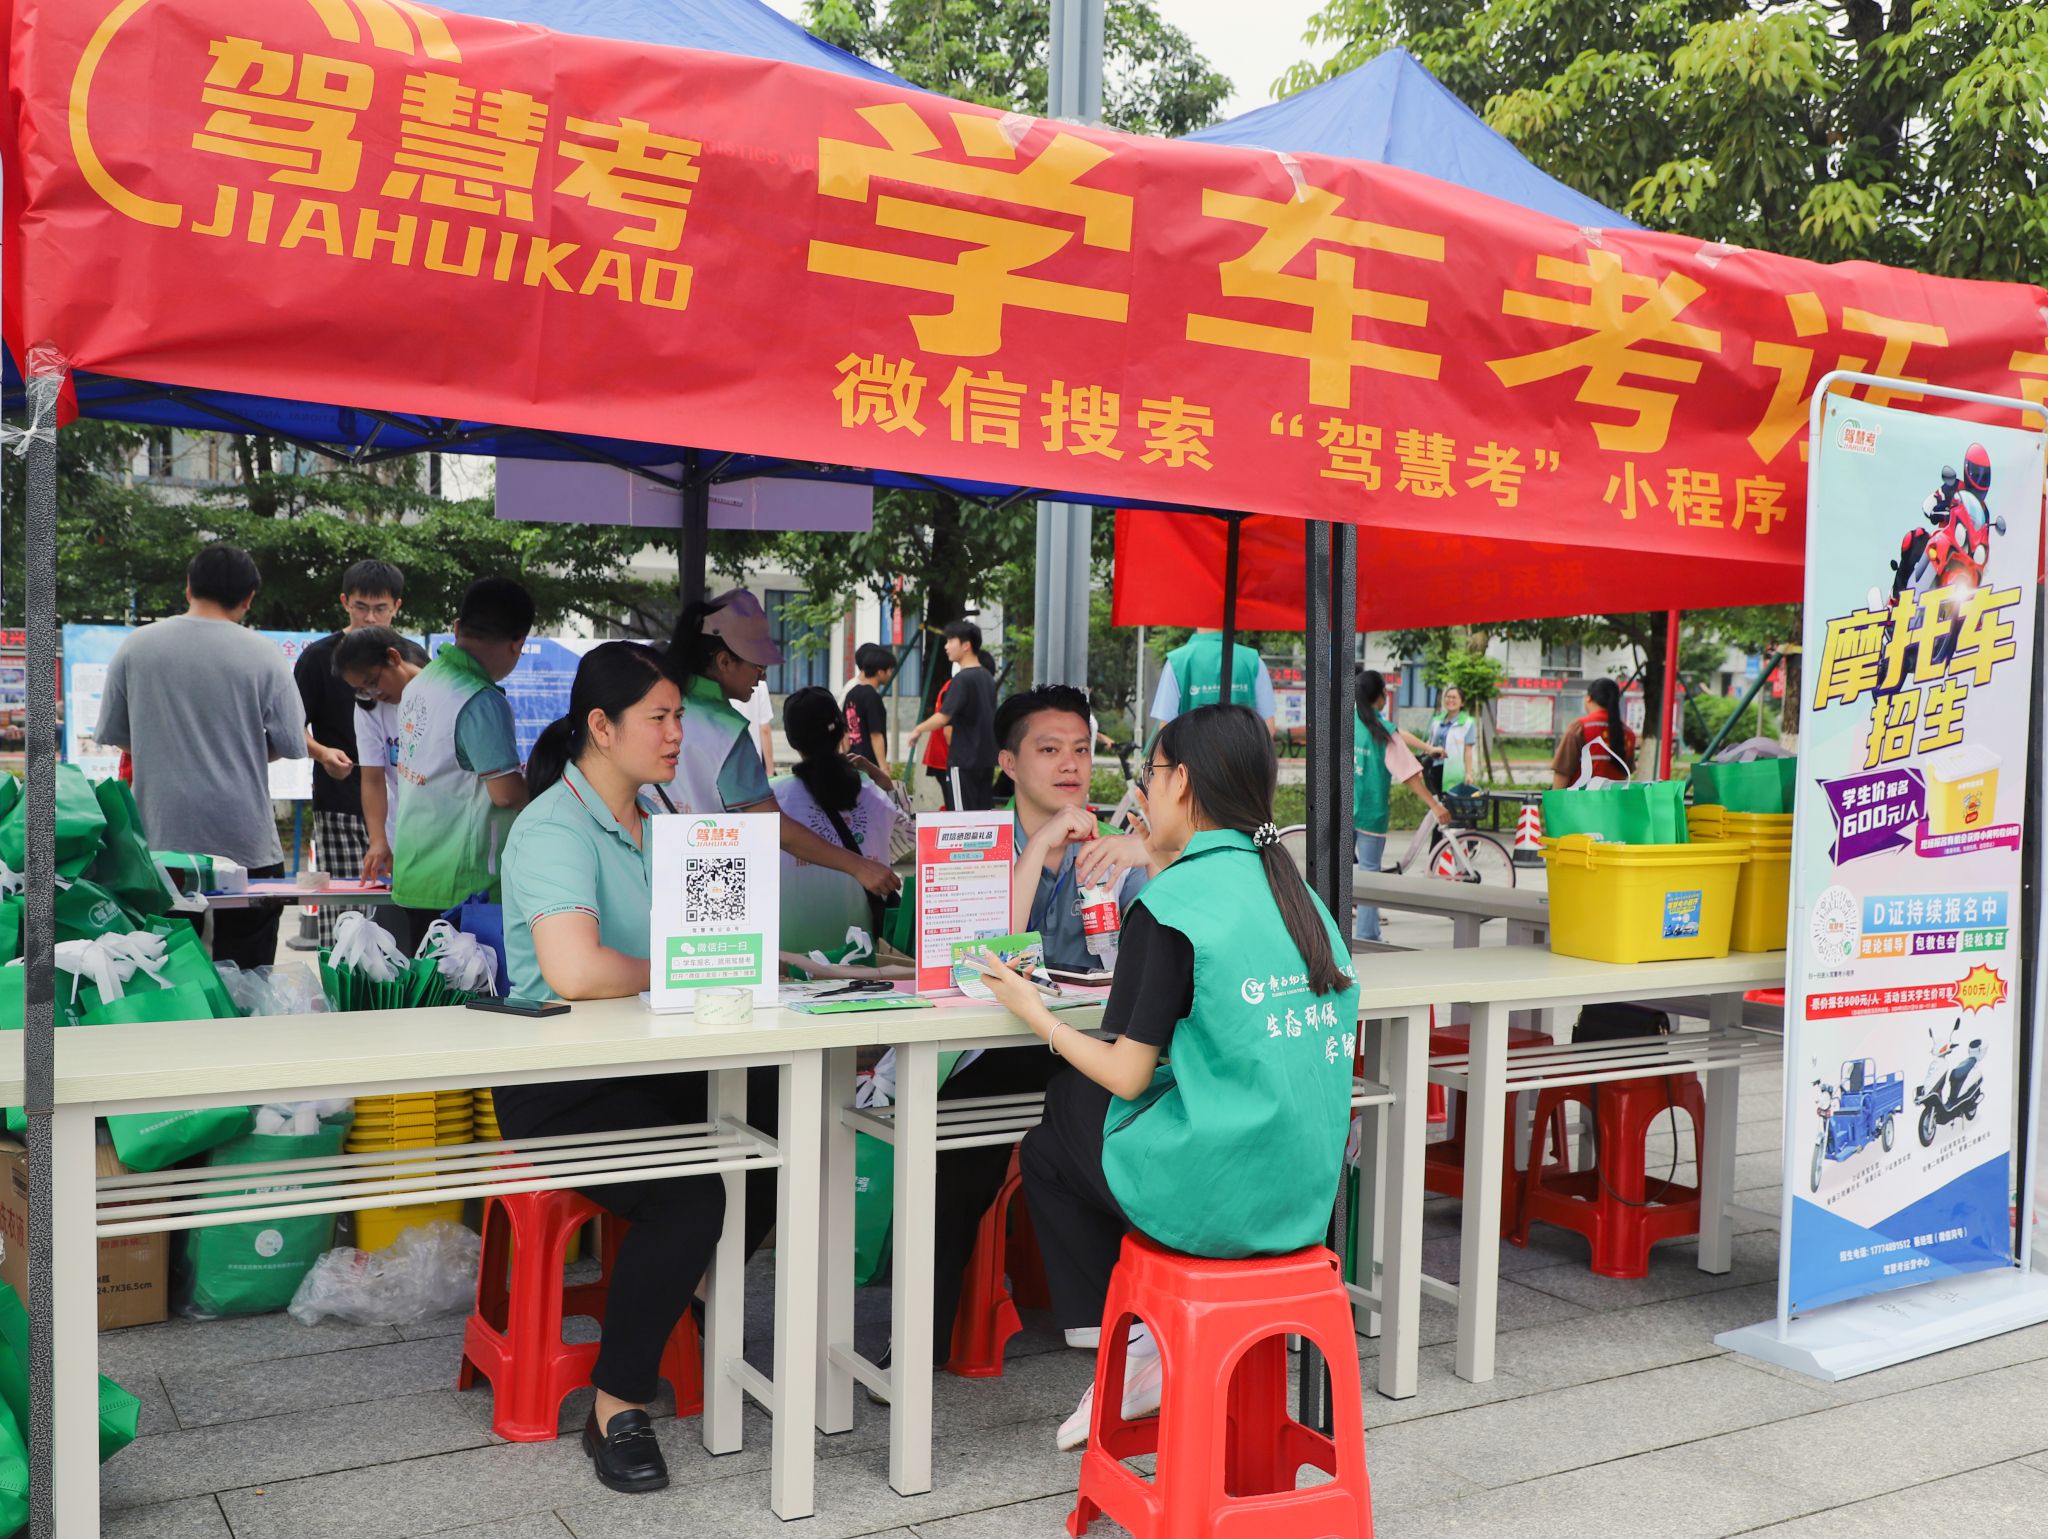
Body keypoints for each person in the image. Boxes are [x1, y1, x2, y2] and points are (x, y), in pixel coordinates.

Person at [971, 704, 1360, 1450]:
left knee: (1064, 1111)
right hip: (1307, 1197)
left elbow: (1125, 1073)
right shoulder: (1299, 894)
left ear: (1181, 781)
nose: (1143, 791)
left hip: (1222, 1200)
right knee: (1068, 1129)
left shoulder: (1172, 906)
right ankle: (1131, 1341)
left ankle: (1129, 1343)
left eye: (1149, 774)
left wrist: (1037, 1017)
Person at [494, 642, 777, 1496]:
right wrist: (690, 971)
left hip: (660, 1065)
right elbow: (575, 970)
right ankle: (616, 1403)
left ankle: (681, 1299)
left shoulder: (666, 822)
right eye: (659, 716)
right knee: (691, 1191)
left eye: (679, 715)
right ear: (601, 726)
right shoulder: (552, 826)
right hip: (561, 1086)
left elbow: (723, 941)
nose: (676, 732)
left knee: (789, 1123)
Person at [96, 543, 307, 970]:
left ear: (189, 587)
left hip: (161, 843)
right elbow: (291, 742)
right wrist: (242, 751)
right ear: (248, 599)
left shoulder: (137, 647)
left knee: (164, 973)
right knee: (251, 977)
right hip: (245, 842)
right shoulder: (264, 654)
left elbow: (116, 735)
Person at [666, 590, 899, 900]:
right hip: (708, 884)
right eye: (758, 667)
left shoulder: (660, 707)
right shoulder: (726, 732)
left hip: (649, 872)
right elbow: (774, 826)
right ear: (724, 661)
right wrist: (859, 866)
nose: (762, 678)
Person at [391, 577, 533, 947]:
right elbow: (506, 794)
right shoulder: (480, 700)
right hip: (465, 888)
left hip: (415, 872)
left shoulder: (423, 682)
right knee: (471, 984)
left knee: (429, 982)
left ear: (457, 627)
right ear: (517, 643)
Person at [294, 560, 405, 943]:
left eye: (380, 608)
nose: (370, 617)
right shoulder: (318, 657)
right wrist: (322, 752)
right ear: (344, 602)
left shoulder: (410, 657)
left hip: (403, 811)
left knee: (397, 923)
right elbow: (291, 728)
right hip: (341, 805)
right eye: (361, 607)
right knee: (345, 922)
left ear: (397, 606)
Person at [772, 685, 898, 959]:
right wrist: (883, 780)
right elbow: (905, 839)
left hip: (788, 963)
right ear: (842, 730)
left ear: (792, 740)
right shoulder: (875, 795)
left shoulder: (769, 800)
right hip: (861, 959)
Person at [1354, 669, 1448, 942]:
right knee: (1369, 874)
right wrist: (1435, 806)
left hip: (1341, 809)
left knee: (1336, 872)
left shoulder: (1346, 722)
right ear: (1380, 696)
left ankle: (1334, 935)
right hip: (1371, 813)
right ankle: (1367, 936)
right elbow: (1409, 775)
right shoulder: (1381, 731)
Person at [333, 627, 429, 884]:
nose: (373, 694)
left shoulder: (441, 693)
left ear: (393, 657)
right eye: (362, 690)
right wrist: (378, 840)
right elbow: (373, 778)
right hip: (403, 832)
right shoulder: (370, 708)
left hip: (450, 831)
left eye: (373, 682)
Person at [907, 622, 997, 810]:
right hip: (986, 761)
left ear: (966, 645)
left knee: (961, 818)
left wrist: (918, 729)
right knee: (983, 816)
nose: (946, 647)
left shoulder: (962, 679)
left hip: (963, 762)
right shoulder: (987, 678)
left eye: (950, 641)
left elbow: (943, 717)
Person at [1149, 629, 1276, 731]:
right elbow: (1268, 726)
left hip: (1190, 754)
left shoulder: (1177, 662)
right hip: (1243, 754)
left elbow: (1165, 728)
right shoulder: (1253, 660)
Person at [1552, 676, 1637, 788]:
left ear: (1588, 698)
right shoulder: (1628, 733)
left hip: (1583, 798)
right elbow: (1626, 774)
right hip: (1614, 798)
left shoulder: (1580, 727)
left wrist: (1555, 798)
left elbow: (1562, 773)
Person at [842, 643, 896, 769]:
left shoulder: (851, 693)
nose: (891, 674)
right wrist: (883, 767)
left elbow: (845, 732)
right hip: (869, 764)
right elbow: (875, 734)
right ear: (880, 672)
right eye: (889, 670)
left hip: (853, 760)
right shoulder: (872, 697)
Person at [1424, 684, 1481, 797]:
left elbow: (1468, 750)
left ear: (1462, 703)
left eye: (1454, 698)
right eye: (1448, 697)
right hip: (1433, 768)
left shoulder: (1467, 723)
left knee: (1449, 802)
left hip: (1453, 771)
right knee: (1435, 801)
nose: (1450, 700)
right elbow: (1430, 742)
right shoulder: (1436, 721)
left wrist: (1468, 773)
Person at [740, 679, 777, 775]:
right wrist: (770, 770)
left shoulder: (721, 680)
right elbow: (764, 730)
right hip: (753, 761)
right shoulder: (760, 684)